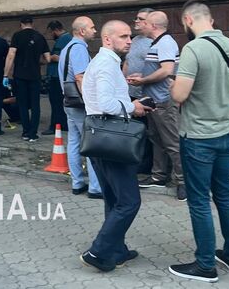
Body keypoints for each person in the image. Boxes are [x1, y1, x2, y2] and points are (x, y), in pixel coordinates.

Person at [168, 0, 229, 283]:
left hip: (198, 137)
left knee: (199, 201)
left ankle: (204, 265)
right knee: (224, 195)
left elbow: (179, 96)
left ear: (188, 20)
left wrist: (174, 84)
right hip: (226, 133)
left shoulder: (193, 49)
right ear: (210, 19)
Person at [79, 20, 152, 273]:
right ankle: (98, 252)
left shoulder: (103, 62)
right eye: (123, 36)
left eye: (130, 36)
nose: (129, 41)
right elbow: (106, 104)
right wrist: (134, 107)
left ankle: (116, 250)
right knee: (129, 202)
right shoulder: (106, 64)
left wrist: (130, 103)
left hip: (101, 137)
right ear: (107, 39)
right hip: (113, 138)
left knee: (113, 198)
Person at [127, 11, 186, 201]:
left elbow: (167, 70)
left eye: (144, 22)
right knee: (156, 139)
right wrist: (142, 77)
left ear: (153, 26)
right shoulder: (156, 43)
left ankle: (183, 181)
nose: (140, 24)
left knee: (172, 142)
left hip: (163, 101)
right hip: (153, 101)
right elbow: (159, 69)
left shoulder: (165, 43)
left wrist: (143, 80)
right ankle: (158, 176)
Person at [58, 16, 102, 198]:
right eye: (92, 27)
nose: (95, 30)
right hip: (80, 104)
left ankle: (77, 183)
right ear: (82, 31)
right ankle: (95, 187)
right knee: (90, 144)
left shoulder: (67, 47)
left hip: (69, 101)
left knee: (74, 142)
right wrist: (90, 102)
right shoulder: (79, 49)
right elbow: (80, 77)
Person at [4, 16, 50, 142]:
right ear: (32, 23)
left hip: (20, 75)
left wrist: (5, 74)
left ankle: (25, 132)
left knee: (23, 104)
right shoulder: (39, 37)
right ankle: (33, 134)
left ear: (21, 24)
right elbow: (47, 58)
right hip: (35, 75)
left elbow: (11, 55)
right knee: (35, 105)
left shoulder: (17, 36)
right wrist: (37, 63)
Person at [123, 8, 155, 175]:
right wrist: (122, 81)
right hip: (131, 92)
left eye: (140, 19)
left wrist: (143, 78)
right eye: (136, 18)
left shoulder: (154, 42)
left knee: (149, 132)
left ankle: (148, 166)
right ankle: (137, 162)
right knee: (135, 130)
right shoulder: (134, 40)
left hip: (147, 93)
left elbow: (159, 68)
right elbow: (127, 62)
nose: (136, 21)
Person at [44, 20, 71, 135]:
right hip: (59, 76)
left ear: (55, 30)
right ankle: (63, 124)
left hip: (57, 76)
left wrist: (52, 58)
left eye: (51, 32)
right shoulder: (66, 39)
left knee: (56, 102)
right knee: (60, 102)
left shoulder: (65, 39)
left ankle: (55, 125)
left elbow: (64, 57)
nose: (51, 35)